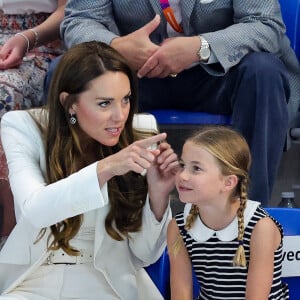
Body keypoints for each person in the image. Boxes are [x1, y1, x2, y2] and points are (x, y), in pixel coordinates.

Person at [59, 0, 300, 207]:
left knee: (263, 72)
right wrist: (115, 47)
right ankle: (78, 210)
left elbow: (265, 24)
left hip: (218, 71)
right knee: (62, 76)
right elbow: (79, 20)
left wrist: (201, 47)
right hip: (136, 74)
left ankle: (248, 215)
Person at [0, 41, 178, 299]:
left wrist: (158, 197)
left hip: (107, 283)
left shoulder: (142, 133)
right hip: (32, 280)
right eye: (104, 103)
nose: (119, 116)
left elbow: (144, 255)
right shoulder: (23, 127)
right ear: (69, 103)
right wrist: (107, 167)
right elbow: (35, 210)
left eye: (125, 99)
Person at [167, 125, 289, 299]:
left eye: (196, 168)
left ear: (229, 182)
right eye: (182, 165)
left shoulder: (260, 228)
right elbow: (181, 295)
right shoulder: (178, 227)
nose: (183, 176)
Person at [0, 0, 67, 249]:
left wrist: (27, 38)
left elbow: (71, 11)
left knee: (3, 94)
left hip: (37, 43)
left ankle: (11, 234)